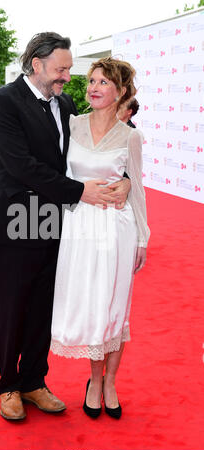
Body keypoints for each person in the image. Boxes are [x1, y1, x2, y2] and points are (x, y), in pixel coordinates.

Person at [0, 33, 131, 420]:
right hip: (17, 220)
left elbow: (108, 135)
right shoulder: (3, 102)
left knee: (44, 309)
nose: (68, 76)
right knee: (13, 308)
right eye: (61, 69)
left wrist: (126, 177)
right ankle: (9, 386)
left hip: (58, 223)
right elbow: (21, 166)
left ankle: (34, 381)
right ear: (37, 64)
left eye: (68, 68)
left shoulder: (64, 104)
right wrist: (81, 191)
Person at [50, 57, 150, 419]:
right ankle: (94, 380)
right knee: (93, 308)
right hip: (78, 229)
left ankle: (110, 383)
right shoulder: (71, 125)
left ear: (121, 91)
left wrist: (143, 238)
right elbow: (55, 175)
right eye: (91, 80)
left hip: (116, 229)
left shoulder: (130, 136)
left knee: (114, 308)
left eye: (103, 82)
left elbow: (136, 188)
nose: (93, 87)